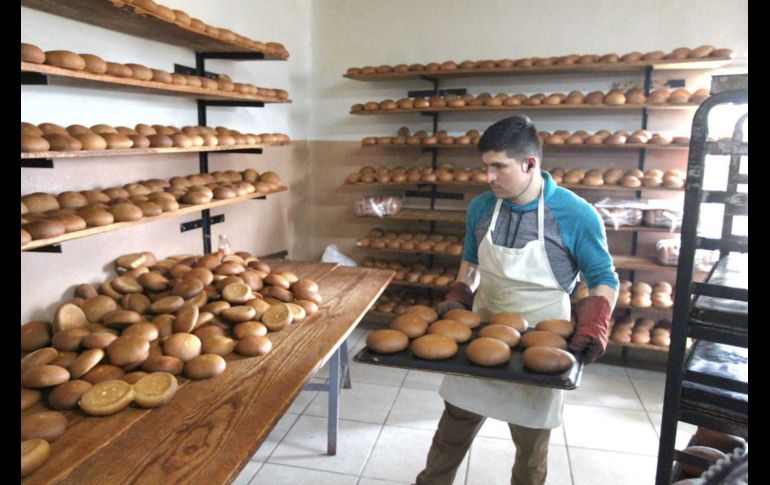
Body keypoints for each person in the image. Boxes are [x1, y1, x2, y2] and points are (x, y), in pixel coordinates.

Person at [415, 115, 619, 485]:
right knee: (452, 431)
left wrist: (596, 322)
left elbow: (604, 279)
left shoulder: (575, 215)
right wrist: (460, 293)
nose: (488, 177)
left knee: (530, 447)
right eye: (485, 167)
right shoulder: (482, 207)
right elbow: (471, 262)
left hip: (541, 344)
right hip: (482, 334)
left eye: (499, 167)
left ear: (530, 164)